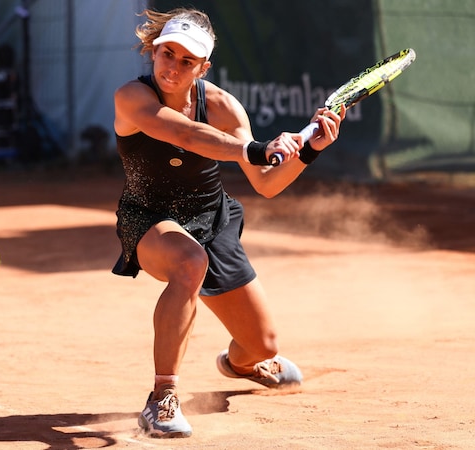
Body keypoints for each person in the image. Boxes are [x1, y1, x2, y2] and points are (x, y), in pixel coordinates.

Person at [112, 7, 345, 438]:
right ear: (155, 52)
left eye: (187, 61)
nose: (174, 67)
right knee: (187, 261)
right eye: (168, 54)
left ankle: (239, 364)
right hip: (148, 217)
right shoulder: (131, 97)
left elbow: (268, 184)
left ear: (204, 67)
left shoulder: (221, 106)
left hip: (211, 218)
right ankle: (162, 398)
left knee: (262, 347)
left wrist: (310, 148)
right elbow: (182, 134)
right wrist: (255, 148)